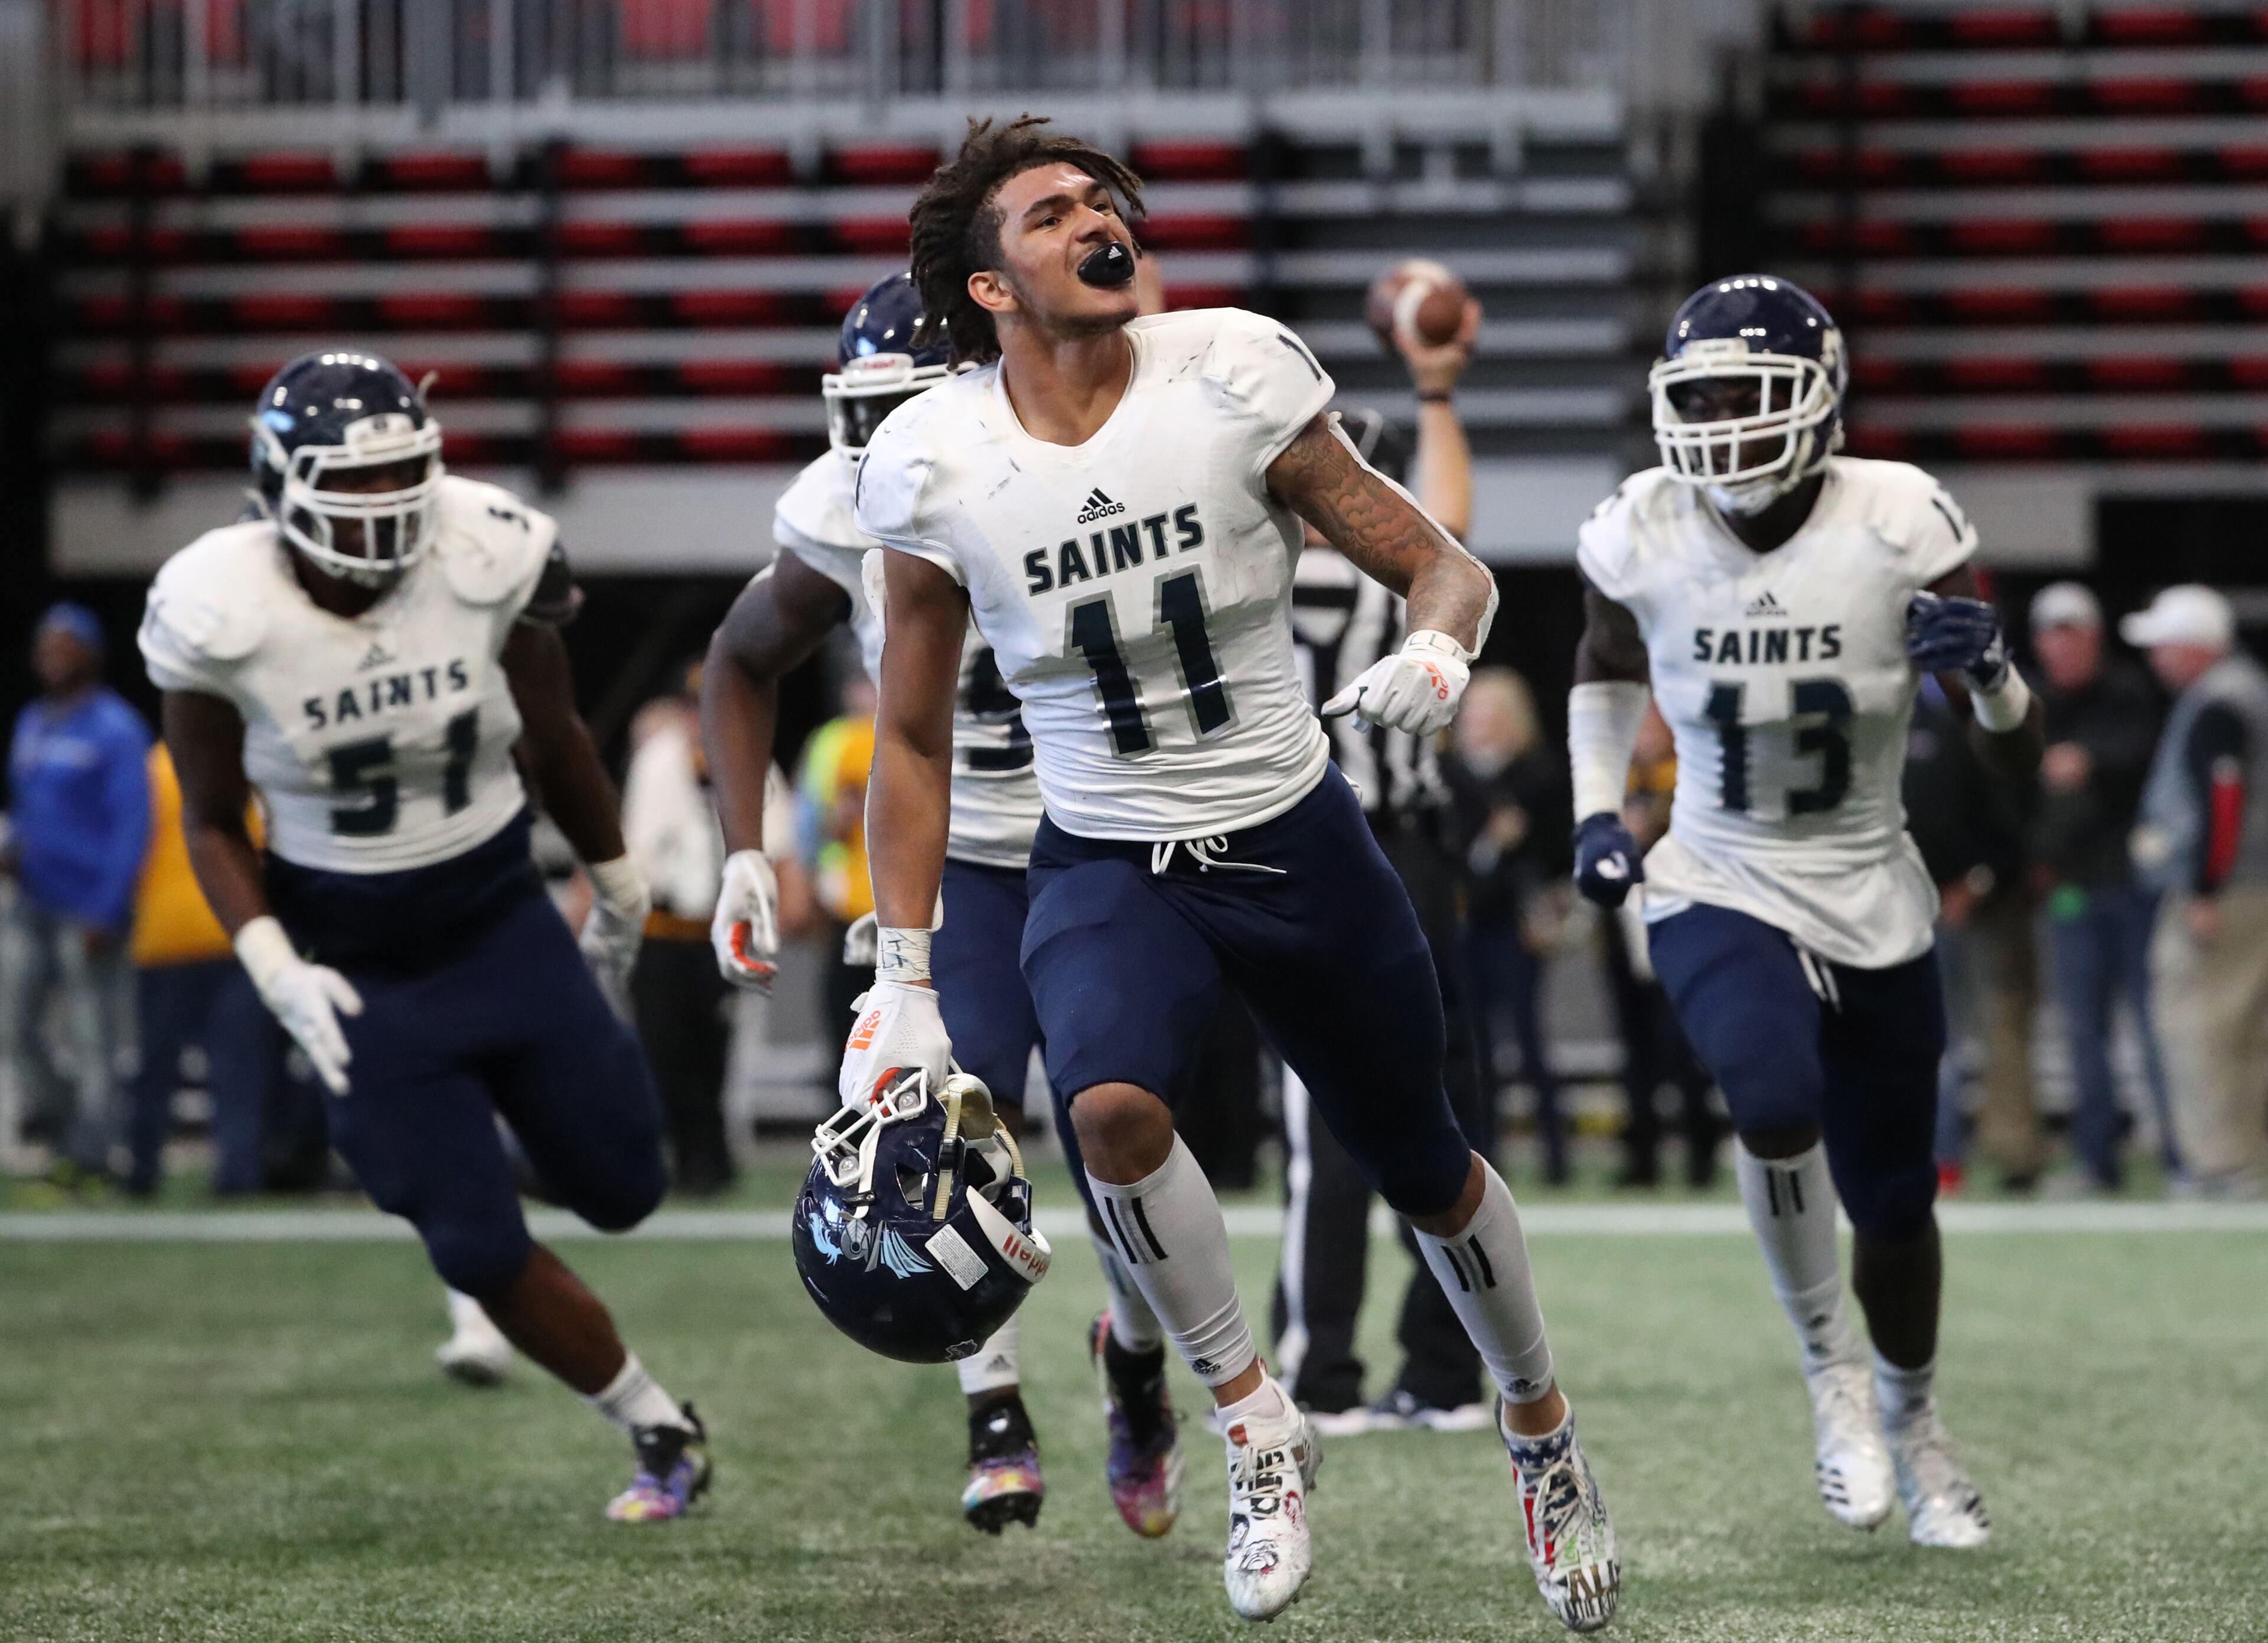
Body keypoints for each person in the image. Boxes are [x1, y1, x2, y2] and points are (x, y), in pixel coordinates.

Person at [843, 117, 1616, 1629]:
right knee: (1113, 1107)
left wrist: (1444, 649)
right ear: (991, 288)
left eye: (1100, 200)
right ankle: (1256, 1429)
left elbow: (1438, 561)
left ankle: (1541, 1433)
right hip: (1105, 852)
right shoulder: (929, 460)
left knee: (1426, 1165)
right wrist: (905, 973)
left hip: (1294, 832)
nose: (1094, 221)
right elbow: (912, 741)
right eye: (1053, 212)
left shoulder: (1228, 372)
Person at [141, 350, 710, 1521]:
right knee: (471, 1242)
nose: (384, 508)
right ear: (277, 485)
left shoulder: (491, 546)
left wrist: (613, 877)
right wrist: (275, 966)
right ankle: (658, 1424)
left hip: (496, 907)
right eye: (353, 485)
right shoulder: (215, 607)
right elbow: (208, 817)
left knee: (624, 1187)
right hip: (350, 949)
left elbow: (553, 740)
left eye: (405, 473)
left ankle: (484, 1130)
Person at [701, 269, 1184, 1541]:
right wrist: (742, 844)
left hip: (1103, 840)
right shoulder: (843, 497)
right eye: (868, 415)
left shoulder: (1088, 459)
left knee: (1119, 1137)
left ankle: (1135, 1354)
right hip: (957, 858)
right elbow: (745, 655)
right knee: (938, 1129)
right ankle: (997, 1412)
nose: (888, 447)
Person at [1568, 275, 2040, 1551]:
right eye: (1701, 396)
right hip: (1717, 869)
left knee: (1896, 1199)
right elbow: (1605, 675)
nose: (1722, 422)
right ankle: (1831, 1377)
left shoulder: (1902, 517)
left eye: (1749, 394)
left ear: (1821, 400)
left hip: (1870, 877)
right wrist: (1601, 813)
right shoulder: (1642, 527)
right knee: (1772, 1097)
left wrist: (1994, 680)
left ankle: (1916, 1419)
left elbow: (2008, 753)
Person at [1270, 292, 1498, 1437]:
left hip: (1332, 847)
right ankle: (1400, 1371)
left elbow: (1439, 533)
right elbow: (1446, 532)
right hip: (1359, 844)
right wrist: (1440, 383)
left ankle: (1344, 1370)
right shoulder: (1330, 575)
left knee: (1349, 1118)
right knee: (1417, 1108)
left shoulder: (1251, 583)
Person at [2028, 581, 2178, 1190]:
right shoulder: (2029, 703)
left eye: (2076, 635)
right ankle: (2097, 1160)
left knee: (2155, 1024)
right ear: (2040, 643)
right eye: (2054, 637)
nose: (2066, 649)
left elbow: (2150, 759)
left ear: (2095, 637)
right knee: (2083, 1031)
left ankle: (2182, 1153)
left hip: (2137, 886)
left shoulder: (2130, 693)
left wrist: (2088, 760)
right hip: (2072, 890)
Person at [2124, 585, 2268, 1196]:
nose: (2155, 658)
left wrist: (2207, 886)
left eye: (2164, 645)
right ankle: (2244, 1158)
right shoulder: (2245, 691)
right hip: (2250, 885)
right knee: (2246, 1025)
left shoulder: (2219, 703)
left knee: (2199, 1023)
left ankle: (2219, 1164)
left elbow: (2224, 799)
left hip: (2226, 888)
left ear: (2196, 647)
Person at [1, 603, 151, 1185]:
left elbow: (132, 824)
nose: (51, 655)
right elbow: (27, 807)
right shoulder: (34, 722)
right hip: (31, 900)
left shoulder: (116, 728)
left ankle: (99, 1153)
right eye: (44, 645)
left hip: (87, 905)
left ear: (90, 653)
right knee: (15, 1027)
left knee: (95, 1035)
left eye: (64, 644)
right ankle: (66, 1130)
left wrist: (108, 905)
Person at [125, 740, 289, 1196]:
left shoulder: (153, 766)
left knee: (168, 1064)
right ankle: (234, 1174)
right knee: (230, 1065)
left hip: (196, 937)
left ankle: (146, 1172)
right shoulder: (240, 764)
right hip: (221, 934)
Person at [1447, 666, 1573, 1182]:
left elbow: (1555, 856)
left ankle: (1555, 1157)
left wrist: (1550, 907)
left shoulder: (1538, 775)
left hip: (1516, 927)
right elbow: (1452, 859)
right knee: (1472, 1047)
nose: (1479, 725)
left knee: (1528, 1038)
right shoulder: (1449, 777)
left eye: (1491, 715)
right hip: (1464, 925)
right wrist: (1492, 843)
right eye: (1474, 714)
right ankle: (1482, 1153)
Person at [621, 665, 737, 1195]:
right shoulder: (661, 761)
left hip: (716, 931)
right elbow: (644, 845)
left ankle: (709, 1154)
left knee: (713, 1048)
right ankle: (681, 1152)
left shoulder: (738, 751)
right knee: (665, 1047)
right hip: (664, 928)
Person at [1599, 704, 1718, 1188]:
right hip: (1626, 934)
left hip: (1678, 929)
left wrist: (1654, 831)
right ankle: (1641, 1160)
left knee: (1684, 1052)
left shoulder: (1691, 780)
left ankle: (1700, 1158)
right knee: (1637, 1057)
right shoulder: (1611, 783)